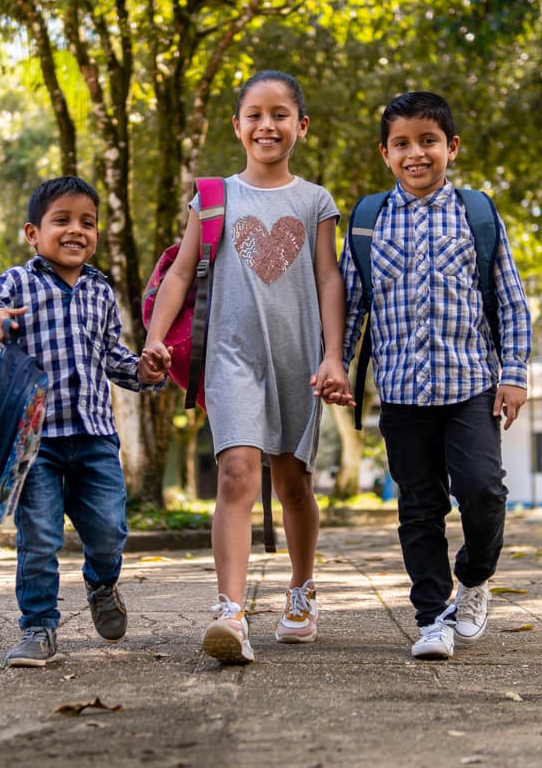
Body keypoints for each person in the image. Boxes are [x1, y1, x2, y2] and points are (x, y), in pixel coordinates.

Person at [143, 71, 353, 665]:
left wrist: (334, 356)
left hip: (298, 360)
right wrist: (155, 340)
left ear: (300, 126)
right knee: (236, 472)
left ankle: (301, 589)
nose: (268, 125)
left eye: (281, 114)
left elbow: (327, 278)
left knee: (293, 483)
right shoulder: (212, 196)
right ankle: (230, 611)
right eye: (254, 114)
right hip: (230, 357)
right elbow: (181, 273)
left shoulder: (315, 201)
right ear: (236, 126)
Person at [341, 91, 532, 661]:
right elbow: (352, 305)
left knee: (482, 489)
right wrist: (335, 362)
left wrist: (514, 373)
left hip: (470, 385)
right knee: (418, 507)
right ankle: (431, 617)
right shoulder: (369, 219)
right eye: (402, 144)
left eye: (427, 141)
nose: (415, 154)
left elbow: (510, 299)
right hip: (400, 393)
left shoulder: (478, 213)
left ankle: (474, 581)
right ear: (385, 153)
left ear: (450, 147)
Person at [0, 176, 166, 667]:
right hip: (35, 444)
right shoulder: (17, 283)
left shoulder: (100, 290)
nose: (76, 231)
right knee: (40, 538)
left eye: (87, 222)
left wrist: (145, 372)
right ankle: (38, 627)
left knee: (110, 531)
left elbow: (112, 356)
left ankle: (102, 584)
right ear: (33, 232)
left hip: (94, 438)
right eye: (62, 220)